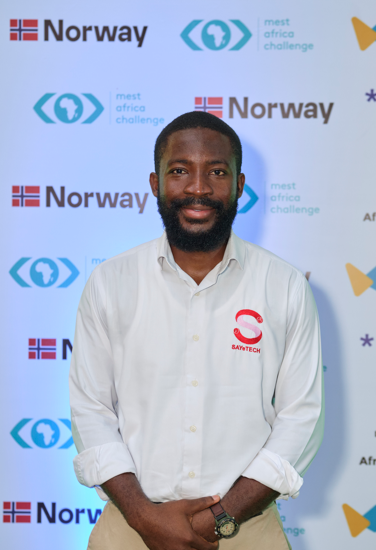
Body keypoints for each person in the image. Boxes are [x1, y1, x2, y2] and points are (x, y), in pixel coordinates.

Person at [69, 111, 324, 550]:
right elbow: (91, 411)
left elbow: (301, 418)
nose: (199, 188)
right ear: (156, 183)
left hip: (246, 531)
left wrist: (218, 519)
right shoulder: (110, 282)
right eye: (180, 171)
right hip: (129, 529)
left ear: (240, 185)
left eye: (217, 172)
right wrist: (144, 517)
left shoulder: (284, 286)